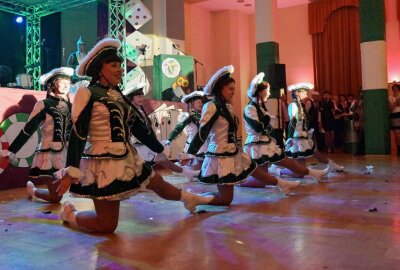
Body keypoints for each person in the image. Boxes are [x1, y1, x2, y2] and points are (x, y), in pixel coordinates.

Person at [56, 38, 213, 233]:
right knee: (107, 226)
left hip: (126, 156)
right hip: (103, 163)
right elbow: (78, 132)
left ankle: (189, 199)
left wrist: (158, 148)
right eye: (113, 65)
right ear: (99, 69)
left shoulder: (118, 94)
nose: (120, 69)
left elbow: (138, 127)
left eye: (120, 65)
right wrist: (71, 168)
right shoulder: (87, 93)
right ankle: (69, 215)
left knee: (157, 182)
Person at [187, 65, 301, 206]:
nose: (233, 92)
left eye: (234, 88)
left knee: (256, 171)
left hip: (234, 151)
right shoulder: (211, 106)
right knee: (226, 199)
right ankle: (194, 199)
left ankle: (282, 184)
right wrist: (191, 153)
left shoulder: (228, 107)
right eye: (230, 88)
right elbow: (202, 132)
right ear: (220, 89)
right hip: (221, 155)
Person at [240, 73, 328, 188]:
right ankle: (240, 183)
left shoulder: (260, 108)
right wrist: (267, 118)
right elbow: (258, 127)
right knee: (262, 180)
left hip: (265, 143)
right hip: (256, 145)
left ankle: (312, 174)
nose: (269, 94)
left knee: (289, 163)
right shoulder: (250, 108)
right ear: (260, 92)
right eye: (267, 91)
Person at [0, 67, 74, 202]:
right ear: (53, 84)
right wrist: (12, 151)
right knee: (56, 198)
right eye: (62, 81)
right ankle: (33, 190)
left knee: (57, 196)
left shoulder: (72, 106)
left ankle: (34, 190)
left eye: (68, 82)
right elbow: (28, 130)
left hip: (68, 154)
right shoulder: (43, 104)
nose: (66, 85)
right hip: (49, 154)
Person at [123, 82, 199, 179]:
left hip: (145, 144)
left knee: (157, 161)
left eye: (142, 96)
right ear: (131, 98)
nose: (141, 99)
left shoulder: (139, 110)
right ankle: (187, 172)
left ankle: (186, 172)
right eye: (138, 96)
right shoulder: (130, 112)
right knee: (152, 162)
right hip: (138, 145)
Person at [285, 83, 344, 172]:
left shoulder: (301, 105)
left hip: (303, 135)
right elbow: (293, 123)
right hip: (297, 137)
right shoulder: (293, 105)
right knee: (301, 167)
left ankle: (331, 165)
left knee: (315, 154)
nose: (306, 93)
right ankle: (279, 171)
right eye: (304, 92)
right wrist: (290, 138)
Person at [166, 90, 206, 170]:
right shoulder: (187, 116)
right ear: (191, 103)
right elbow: (178, 129)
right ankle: (180, 167)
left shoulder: (204, 115)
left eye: (201, 101)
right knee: (195, 168)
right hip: (193, 146)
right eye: (198, 101)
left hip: (204, 145)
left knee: (204, 167)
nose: (200, 103)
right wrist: (169, 140)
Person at [389, 84, 400, 155]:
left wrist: (395, 104)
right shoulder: (390, 98)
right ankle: (398, 148)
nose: (395, 91)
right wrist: (397, 101)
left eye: (396, 89)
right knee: (397, 134)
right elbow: (391, 108)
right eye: (393, 89)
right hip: (394, 115)